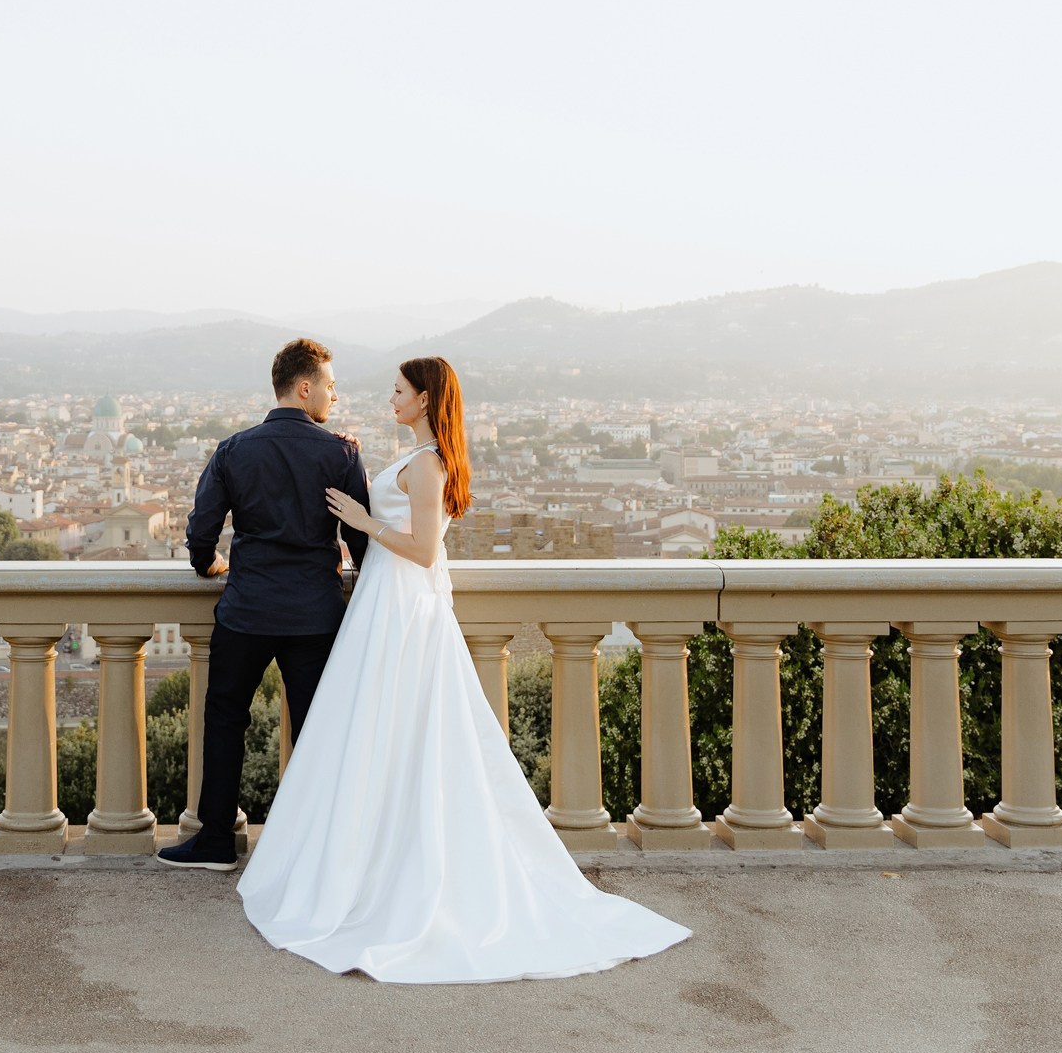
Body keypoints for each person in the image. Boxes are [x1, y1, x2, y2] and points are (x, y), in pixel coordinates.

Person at [235, 355, 690, 982]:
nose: (389, 399)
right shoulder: (420, 458)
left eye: (398, 391)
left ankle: (371, 871)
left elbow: (425, 551)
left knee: (389, 733)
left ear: (424, 399)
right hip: (386, 605)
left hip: (399, 608)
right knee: (385, 735)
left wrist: (364, 522)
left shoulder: (425, 464)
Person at [158, 337, 375, 871]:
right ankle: (315, 846)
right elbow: (363, 540)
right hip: (315, 614)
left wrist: (210, 566)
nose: (334, 395)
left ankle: (214, 842)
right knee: (316, 729)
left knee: (226, 719)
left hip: (247, 610)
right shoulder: (340, 453)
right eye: (329, 385)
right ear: (305, 388)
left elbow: (201, 533)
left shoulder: (235, 450)